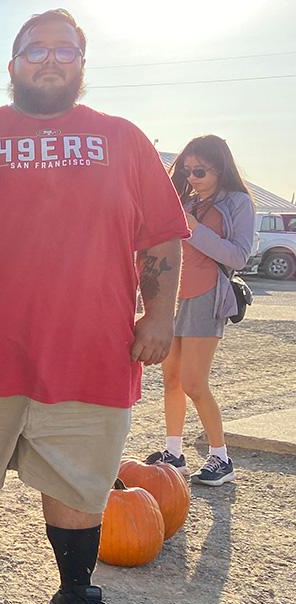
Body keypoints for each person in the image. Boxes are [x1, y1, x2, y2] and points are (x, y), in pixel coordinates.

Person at [0, 9, 188, 604]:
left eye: (66, 50)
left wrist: (161, 315)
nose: (50, 59)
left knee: (79, 485)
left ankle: (74, 593)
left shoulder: (122, 138)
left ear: (83, 66)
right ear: (13, 66)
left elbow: (162, 235)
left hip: (88, 351)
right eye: (36, 49)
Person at [146, 135, 255, 486]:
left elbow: (238, 256)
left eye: (200, 171)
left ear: (220, 169)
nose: (192, 177)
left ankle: (220, 457)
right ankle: (173, 454)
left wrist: (194, 230)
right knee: (171, 381)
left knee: (194, 383)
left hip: (208, 297)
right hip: (173, 297)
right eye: (188, 170)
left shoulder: (237, 202)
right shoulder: (185, 200)